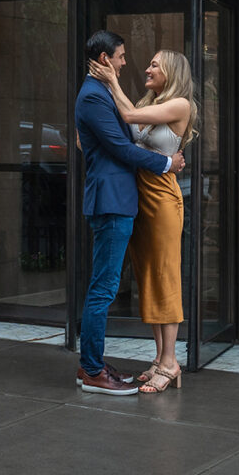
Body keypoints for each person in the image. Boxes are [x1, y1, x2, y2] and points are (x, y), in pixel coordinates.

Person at [75, 30, 186, 396]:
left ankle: (164, 360)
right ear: (106, 59)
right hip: (117, 201)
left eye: (153, 62)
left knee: (155, 277)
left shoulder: (164, 102)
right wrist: (167, 161)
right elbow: (123, 147)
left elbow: (121, 130)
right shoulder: (94, 96)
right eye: (121, 56)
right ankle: (92, 370)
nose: (128, 63)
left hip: (141, 200)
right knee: (106, 288)